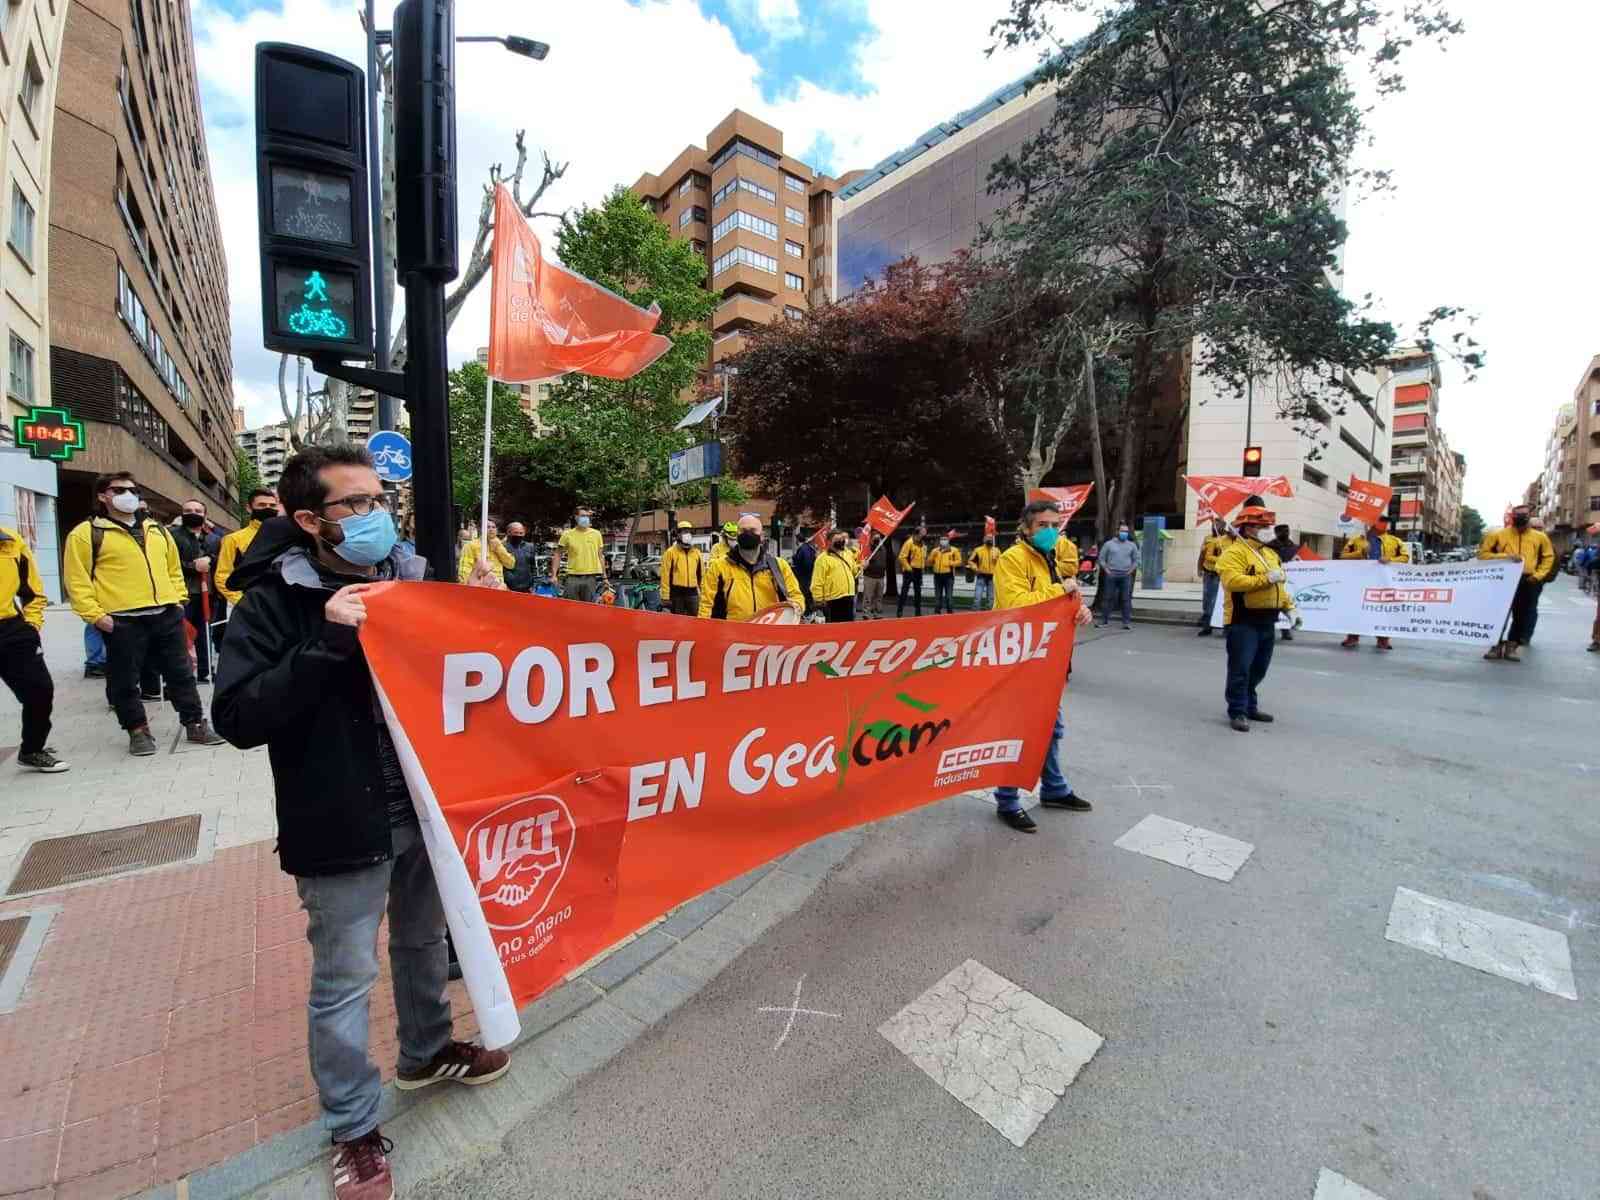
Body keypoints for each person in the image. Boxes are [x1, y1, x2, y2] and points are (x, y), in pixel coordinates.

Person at [213, 444, 508, 1200]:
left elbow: (468, 677)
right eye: (359, 504)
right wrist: (328, 642)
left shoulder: (410, 580)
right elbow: (240, 717)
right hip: (340, 820)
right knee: (344, 978)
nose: (380, 516)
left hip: (423, 809)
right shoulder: (272, 603)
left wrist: (484, 608)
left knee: (421, 942)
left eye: (384, 499)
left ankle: (427, 1050)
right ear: (311, 520)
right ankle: (352, 1127)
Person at [64, 473, 225, 755]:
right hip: (123, 620)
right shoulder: (87, 533)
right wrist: (97, 616)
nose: (128, 495)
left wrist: (178, 600)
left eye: (133, 490)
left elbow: (173, 569)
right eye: (119, 490)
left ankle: (195, 723)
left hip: (166, 614)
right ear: (103, 496)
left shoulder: (157, 530)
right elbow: (77, 581)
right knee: (125, 679)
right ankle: (137, 730)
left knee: (181, 673)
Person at [991, 499, 1095, 833]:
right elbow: (1016, 605)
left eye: (1055, 525)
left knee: (1052, 728)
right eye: (1043, 525)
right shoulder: (1012, 559)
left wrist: (1079, 610)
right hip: (1019, 661)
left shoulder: (1049, 558)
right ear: (1026, 528)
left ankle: (1054, 789)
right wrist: (1058, 590)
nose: (1051, 531)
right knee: (1018, 732)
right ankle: (1006, 800)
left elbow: (1060, 605)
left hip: (1047, 661)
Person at [1217, 504, 1298, 732]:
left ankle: (1250, 706)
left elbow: (1279, 588)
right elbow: (1232, 582)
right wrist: (1266, 579)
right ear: (1248, 528)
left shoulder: (1269, 554)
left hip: (1267, 621)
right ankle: (1238, 710)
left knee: (1258, 668)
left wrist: (1289, 608)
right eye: (1263, 526)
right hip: (1243, 621)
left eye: (1268, 526)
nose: (1268, 530)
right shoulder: (1234, 553)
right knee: (1240, 668)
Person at [0, 525, 67, 772]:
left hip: (12, 630)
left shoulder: (10, 541)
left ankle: (32, 749)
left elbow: (34, 592)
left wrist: (31, 624)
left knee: (39, 690)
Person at [1478, 503, 1555, 662]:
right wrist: (1505, 557)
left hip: (1527, 580)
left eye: (1523, 517)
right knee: (1498, 614)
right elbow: (1483, 555)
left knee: (1522, 615)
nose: (1520, 520)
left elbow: (1548, 558)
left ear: (1529, 518)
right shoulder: (1498, 535)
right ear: (1512, 517)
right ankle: (1495, 645)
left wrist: (1538, 576)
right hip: (1503, 580)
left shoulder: (1540, 537)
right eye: (1517, 516)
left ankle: (1512, 647)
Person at [698, 513, 803, 620]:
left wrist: (796, 606)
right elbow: (706, 605)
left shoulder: (779, 566)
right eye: (743, 531)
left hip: (769, 632)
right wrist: (704, 630)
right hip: (731, 633)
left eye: (753, 530)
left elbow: (796, 596)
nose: (748, 534)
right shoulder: (718, 567)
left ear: (762, 536)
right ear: (737, 535)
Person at [1340, 516, 1409, 650]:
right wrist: (1359, 553)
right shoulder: (1356, 540)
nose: (1382, 525)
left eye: (1384, 523)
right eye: (1379, 522)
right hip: (1360, 581)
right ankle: (1352, 637)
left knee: (1383, 610)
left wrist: (1390, 559)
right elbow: (1343, 556)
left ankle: (1383, 640)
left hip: (1383, 582)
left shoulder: (1395, 541)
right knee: (1357, 609)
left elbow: (1405, 557)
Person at [171, 498, 220, 683]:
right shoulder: (172, 536)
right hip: (183, 594)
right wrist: (193, 566)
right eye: (188, 510)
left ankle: (205, 670)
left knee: (204, 632)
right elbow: (170, 563)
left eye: (198, 511)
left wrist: (210, 561)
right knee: (182, 634)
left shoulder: (214, 539)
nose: (193, 513)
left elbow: (219, 561)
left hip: (208, 593)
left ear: (205, 515)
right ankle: (182, 672)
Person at [216, 489, 281, 608]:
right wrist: (243, 602)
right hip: (250, 605)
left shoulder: (286, 535)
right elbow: (223, 576)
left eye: (272, 505)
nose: (268, 508)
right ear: (249, 508)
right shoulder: (233, 539)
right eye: (262, 505)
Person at [551, 506, 608, 602]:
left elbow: (600, 556)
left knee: (589, 608)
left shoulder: (596, 534)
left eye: (588, 516)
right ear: (576, 517)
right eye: (582, 515)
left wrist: (605, 577)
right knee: (570, 607)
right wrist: (553, 575)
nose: (586, 518)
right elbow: (557, 554)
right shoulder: (567, 534)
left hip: (591, 578)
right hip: (572, 577)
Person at [1096, 523, 1139, 629]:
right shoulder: (1109, 544)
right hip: (1111, 575)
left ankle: (1126, 623)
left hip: (1125, 575)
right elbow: (1101, 558)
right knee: (1107, 598)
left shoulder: (1132, 545)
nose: (1124, 533)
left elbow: (1136, 560)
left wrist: (1130, 571)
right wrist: (1106, 569)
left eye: (1126, 531)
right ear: (1117, 532)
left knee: (1126, 599)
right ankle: (1103, 621)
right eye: (1122, 531)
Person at [1195, 517, 1233, 637]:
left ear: (1223, 526)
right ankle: (1206, 621)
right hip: (1209, 572)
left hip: (1222, 574)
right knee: (1207, 599)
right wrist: (1199, 568)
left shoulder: (1230, 541)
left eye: (1217, 525)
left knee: (1219, 601)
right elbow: (1204, 555)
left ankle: (1218, 625)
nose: (1214, 527)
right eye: (1213, 525)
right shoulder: (1209, 539)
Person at [810, 532, 858, 622]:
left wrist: (861, 566)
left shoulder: (847, 555)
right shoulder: (822, 559)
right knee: (836, 630)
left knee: (848, 629)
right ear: (828, 542)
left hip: (849, 597)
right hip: (833, 600)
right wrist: (819, 602)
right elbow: (817, 583)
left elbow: (854, 571)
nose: (841, 541)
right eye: (837, 539)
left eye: (842, 539)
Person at [659, 521, 704, 615]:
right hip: (676, 593)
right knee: (678, 622)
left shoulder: (696, 553)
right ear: (678, 534)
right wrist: (665, 597)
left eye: (689, 532)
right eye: (684, 531)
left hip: (692, 593)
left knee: (695, 620)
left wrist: (704, 593)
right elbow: (665, 576)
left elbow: (701, 575)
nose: (687, 534)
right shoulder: (670, 553)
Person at [1266, 524, 1301, 641]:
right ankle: (1270, 629)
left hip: (1290, 578)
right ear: (1276, 533)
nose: (1285, 533)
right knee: (1274, 604)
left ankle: (1285, 630)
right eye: (1282, 531)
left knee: (1286, 604)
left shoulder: (1295, 547)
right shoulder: (1269, 546)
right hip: (1276, 578)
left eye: (1287, 530)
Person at [457, 518, 515, 585]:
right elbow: (465, 570)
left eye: (493, 527)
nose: (491, 529)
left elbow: (511, 564)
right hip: (479, 587)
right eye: (488, 527)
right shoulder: (471, 545)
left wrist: (498, 548)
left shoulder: (499, 545)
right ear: (480, 529)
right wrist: (465, 587)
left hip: (497, 587)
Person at [500, 522, 539, 593]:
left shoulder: (530, 547)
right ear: (508, 532)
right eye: (516, 533)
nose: (519, 535)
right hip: (508, 588)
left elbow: (533, 567)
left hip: (527, 588)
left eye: (521, 533)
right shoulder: (502, 547)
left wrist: (534, 584)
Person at [896, 528, 927, 617]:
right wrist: (909, 569)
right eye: (923, 532)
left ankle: (918, 612)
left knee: (918, 592)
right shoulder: (909, 542)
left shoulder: (922, 543)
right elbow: (902, 557)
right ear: (918, 533)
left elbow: (922, 557)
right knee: (904, 591)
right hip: (909, 570)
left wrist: (922, 568)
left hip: (918, 571)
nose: (924, 534)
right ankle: (900, 610)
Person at [928, 533, 962, 614]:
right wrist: (932, 556)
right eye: (942, 539)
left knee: (948, 597)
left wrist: (950, 563)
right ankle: (937, 613)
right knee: (937, 596)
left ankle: (950, 613)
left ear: (948, 540)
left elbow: (960, 562)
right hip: (937, 576)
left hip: (948, 576)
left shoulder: (954, 550)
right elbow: (929, 562)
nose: (943, 541)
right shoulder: (935, 550)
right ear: (940, 541)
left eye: (945, 539)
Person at [967, 532, 1001, 611]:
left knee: (991, 597)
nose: (989, 539)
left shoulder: (996, 550)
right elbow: (971, 561)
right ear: (984, 539)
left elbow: (1002, 562)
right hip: (981, 575)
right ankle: (975, 612)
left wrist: (997, 560)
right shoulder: (978, 550)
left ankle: (989, 613)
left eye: (990, 538)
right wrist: (976, 569)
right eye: (987, 538)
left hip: (992, 576)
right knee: (977, 596)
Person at [791, 527, 819, 615]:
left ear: (797, 540)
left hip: (803, 577)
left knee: (805, 594)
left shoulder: (803, 549)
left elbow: (806, 563)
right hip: (809, 575)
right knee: (808, 594)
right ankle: (810, 611)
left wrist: (795, 563)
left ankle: (807, 612)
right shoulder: (809, 548)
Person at [860, 531, 888, 618]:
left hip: (881, 576)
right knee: (868, 596)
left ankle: (877, 613)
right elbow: (863, 559)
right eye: (875, 537)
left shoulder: (883, 548)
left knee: (879, 596)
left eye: (879, 538)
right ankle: (866, 613)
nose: (877, 539)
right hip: (870, 576)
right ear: (871, 538)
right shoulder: (868, 548)